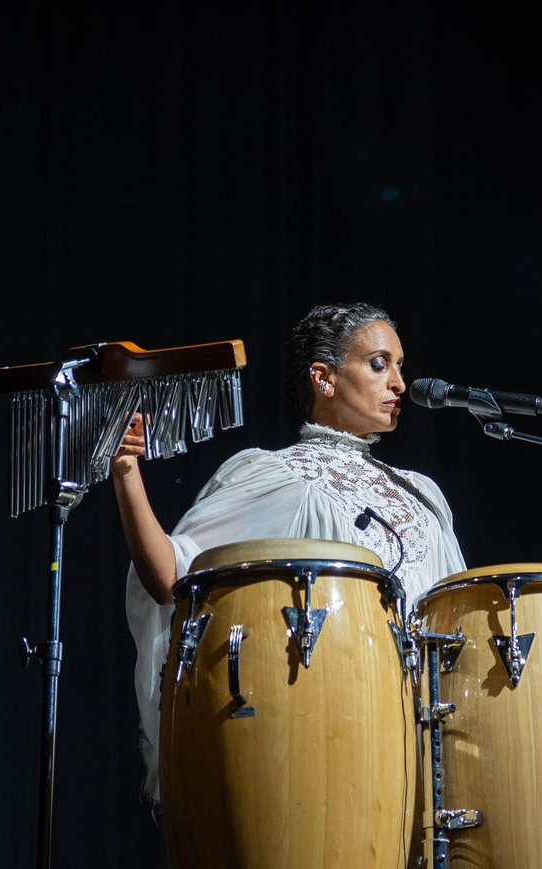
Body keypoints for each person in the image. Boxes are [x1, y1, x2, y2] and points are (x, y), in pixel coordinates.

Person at [112, 302, 467, 802]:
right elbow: (171, 574)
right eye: (379, 364)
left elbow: (456, 624)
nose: (399, 384)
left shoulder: (424, 493)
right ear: (323, 378)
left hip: (421, 745)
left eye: (400, 368)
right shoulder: (275, 476)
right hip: (331, 740)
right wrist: (127, 473)